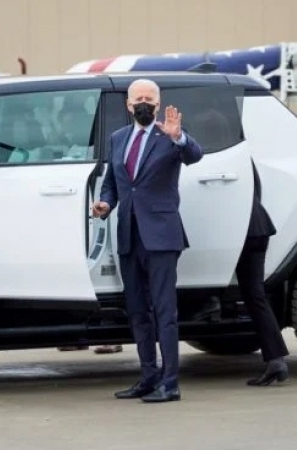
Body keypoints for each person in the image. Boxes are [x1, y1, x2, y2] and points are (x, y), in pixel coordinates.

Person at [91, 78, 204, 403]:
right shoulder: (118, 138)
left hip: (161, 236)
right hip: (129, 235)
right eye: (137, 98)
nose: (143, 103)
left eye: (149, 99)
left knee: (164, 311)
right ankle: (147, 376)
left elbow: (194, 155)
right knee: (137, 311)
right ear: (128, 105)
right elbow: (113, 183)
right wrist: (105, 204)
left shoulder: (169, 134)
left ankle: (170, 383)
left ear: (158, 103)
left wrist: (178, 137)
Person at [237, 160, 290, 386]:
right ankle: (276, 359)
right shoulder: (242, 159)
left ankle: (277, 360)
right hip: (258, 224)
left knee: (254, 294)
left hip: (245, 230)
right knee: (255, 295)